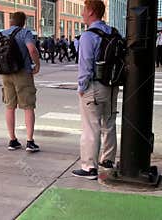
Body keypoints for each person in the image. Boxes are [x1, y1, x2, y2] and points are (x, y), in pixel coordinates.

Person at [72, 0, 119, 180]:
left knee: (90, 126)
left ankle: (89, 167)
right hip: (111, 86)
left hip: (94, 86)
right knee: (109, 123)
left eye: (84, 10)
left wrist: (82, 88)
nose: (82, 13)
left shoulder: (88, 36)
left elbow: (85, 66)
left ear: (91, 11)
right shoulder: (113, 32)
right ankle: (107, 160)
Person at [0, 12, 40, 152]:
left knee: (9, 106)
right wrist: (37, 64)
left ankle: (12, 140)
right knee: (28, 106)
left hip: (5, 73)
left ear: (11, 21)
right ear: (23, 22)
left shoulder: (1, 34)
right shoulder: (25, 33)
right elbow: (32, 49)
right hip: (22, 73)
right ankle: (29, 141)